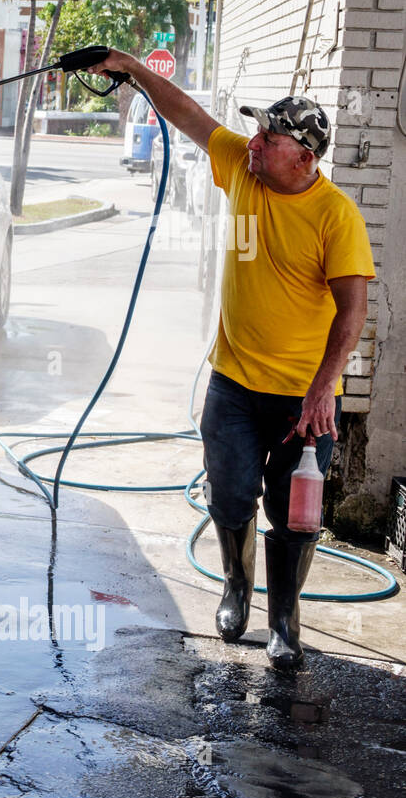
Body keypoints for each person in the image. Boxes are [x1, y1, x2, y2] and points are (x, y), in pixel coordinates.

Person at [88, 50, 375, 671]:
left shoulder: (336, 218)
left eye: (269, 137)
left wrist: (325, 389)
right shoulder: (244, 172)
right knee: (230, 495)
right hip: (234, 385)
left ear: (303, 157)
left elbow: (353, 313)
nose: (254, 141)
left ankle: (285, 619)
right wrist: (131, 67)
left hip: (306, 398)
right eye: (257, 130)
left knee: (293, 515)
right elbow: (188, 113)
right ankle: (236, 587)